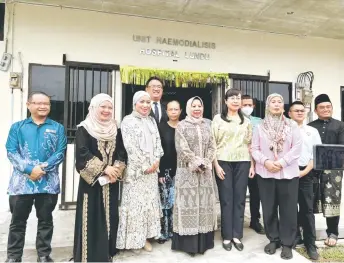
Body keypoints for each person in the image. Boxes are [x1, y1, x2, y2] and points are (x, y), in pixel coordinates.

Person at [5, 91, 67, 263]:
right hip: (21, 184)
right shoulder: (17, 127)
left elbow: (60, 152)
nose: (42, 106)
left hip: (48, 184)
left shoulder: (57, 128)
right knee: (18, 222)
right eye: (38, 103)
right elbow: (11, 151)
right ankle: (14, 256)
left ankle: (44, 255)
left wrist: (41, 169)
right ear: (28, 105)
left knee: (46, 221)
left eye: (46, 103)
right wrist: (29, 169)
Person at [73, 94, 127, 262]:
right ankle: (90, 254)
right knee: (92, 216)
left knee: (111, 215)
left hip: (111, 182)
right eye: (102, 107)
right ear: (94, 108)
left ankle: (108, 251)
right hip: (93, 183)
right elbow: (82, 154)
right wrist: (104, 169)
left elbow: (121, 151)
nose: (106, 110)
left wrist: (117, 169)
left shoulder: (115, 128)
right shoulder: (85, 128)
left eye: (110, 107)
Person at [251, 93, 302, 260]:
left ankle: (287, 243)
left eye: (279, 101)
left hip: (287, 173)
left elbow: (297, 148)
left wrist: (281, 163)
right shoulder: (259, 126)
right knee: (269, 207)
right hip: (266, 173)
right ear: (267, 105)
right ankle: (273, 239)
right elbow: (254, 148)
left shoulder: (292, 125)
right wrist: (265, 162)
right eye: (273, 101)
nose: (276, 104)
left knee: (288, 210)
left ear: (283, 106)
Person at [116, 91, 164, 252]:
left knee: (149, 204)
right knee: (136, 205)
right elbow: (130, 147)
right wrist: (145, 166)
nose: (145, 105)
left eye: (148, 102)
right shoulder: (127, 121)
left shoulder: (151, 121)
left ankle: (147, 236)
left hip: (152, 171)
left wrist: (156, 161)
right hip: (137, 172)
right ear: (134, 103)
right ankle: (134, 239)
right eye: (141, 102)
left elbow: (158, 141)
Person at [172, 96, 217, 257]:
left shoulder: (207, 125)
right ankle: (189, 245)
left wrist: (205, 161)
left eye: (199, 106)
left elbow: (212, 145)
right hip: (187, 172)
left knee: (204, 205)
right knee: (187, 205)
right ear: (188, 108)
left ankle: (203, 242)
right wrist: (195, 161)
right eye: (194, 106)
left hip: (205, 173)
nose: (197, 109)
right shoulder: (181, 126)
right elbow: (181, 148)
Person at [212, 89, 253, 252]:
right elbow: (212, 143)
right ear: (225, 101)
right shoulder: (218, 119)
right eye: (232, 98)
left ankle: (237, 235)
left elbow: (250, 144)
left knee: (240, 199)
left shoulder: (246, 121)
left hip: (243, 161)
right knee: (226, 199)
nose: (236, 101)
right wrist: (216, 165)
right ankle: (227, 235)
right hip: (223, 161)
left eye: (238, 98)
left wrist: (253, 165)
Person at [308, 94, 344, 247]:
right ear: (316, 110)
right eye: (322, 107)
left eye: (328, 107)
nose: (325, 109)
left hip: (333, 169)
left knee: (332, 199)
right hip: (313, 168)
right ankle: (307, 231)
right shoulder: (310, 126)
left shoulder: (340, 125)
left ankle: (333, 232)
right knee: (309, 200)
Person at [288, 100, 321, 260]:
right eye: (296, 111)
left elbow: (316, 154)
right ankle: (294, 238)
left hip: (306, 173)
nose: (300, 113)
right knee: (290, 208)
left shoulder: (312, 131)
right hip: (288, 173)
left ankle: (310, 244)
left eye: (302, 110)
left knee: (307, 209)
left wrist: (305, 171)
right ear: (289, 113)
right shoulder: (285, 130)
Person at [157, 100, 182, 243]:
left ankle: (176, 231)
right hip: (166, 171)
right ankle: (165, 231)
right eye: (170, 109)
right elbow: (158, 151)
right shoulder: (161, 127)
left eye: (176, 109)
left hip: (182, 171)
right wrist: (160, 173)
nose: (173, 112)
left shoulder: (184, 127)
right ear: (166, 111)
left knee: (178, 203)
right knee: (166, 203)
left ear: (180, 111)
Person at [241, 94, 265, 235]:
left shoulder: (259, 122)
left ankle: (255, 220)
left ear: (254, 106)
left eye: (250, 105)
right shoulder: (234, 120)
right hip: (239, 162)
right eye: (244, 105)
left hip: (256, 163)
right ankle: (237, 221)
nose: (247, 107)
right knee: (239, 194)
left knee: (256, 193)